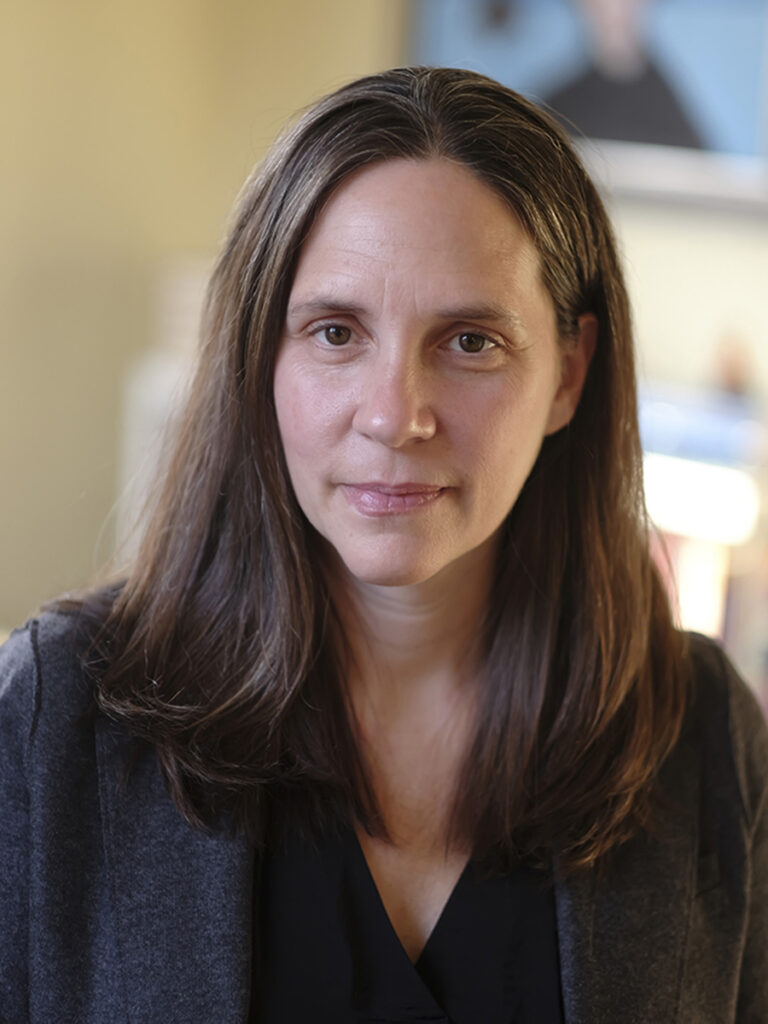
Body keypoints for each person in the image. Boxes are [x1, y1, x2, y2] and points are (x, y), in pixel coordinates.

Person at [0, 66, 765, 1023]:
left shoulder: (702, 739)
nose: (396, 415)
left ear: (570, 374)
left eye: (471, 342)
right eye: (334, 331)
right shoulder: (55, 721)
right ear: (258, 356)